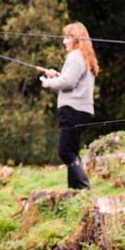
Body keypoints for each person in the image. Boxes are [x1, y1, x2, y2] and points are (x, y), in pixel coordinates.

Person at [39, 22, 99, 190]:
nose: (64, 41)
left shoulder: (75, 56)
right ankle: (74, 190)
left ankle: (84, 187)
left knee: (65, 151)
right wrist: (56, 74)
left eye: (67, 38)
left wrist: (48, 83)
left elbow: (69, 82)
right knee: (72, 151)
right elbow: (72, 78)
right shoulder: (85, 57)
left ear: (76, 40)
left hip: (72, 109)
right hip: (83, 110)